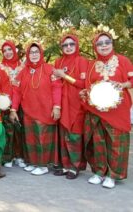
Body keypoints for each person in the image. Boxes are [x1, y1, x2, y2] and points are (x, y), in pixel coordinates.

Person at [81, 28, 132, 188]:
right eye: (99, 43)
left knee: (116, 143)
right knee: (98, 143)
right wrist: (85, 92)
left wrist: (123, 84)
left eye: (107, 42)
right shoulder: (91, 64)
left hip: (118, 111)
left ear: (112, 43)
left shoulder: (123, 60)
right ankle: (99, 172)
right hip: (96, 111)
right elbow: (88, 85)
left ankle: (113, 175)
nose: (104, 45)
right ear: (95, 46)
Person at [10, 42, 62, 176]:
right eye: (31, 52)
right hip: (28, 111)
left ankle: (43, 165)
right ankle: (33, 162)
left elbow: (57, 88)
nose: (34, 55)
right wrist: (14, 109)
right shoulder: (23, 71)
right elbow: (16, 91)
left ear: (41, 53)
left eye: (36, 52)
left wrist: (57, 107)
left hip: (45, 111)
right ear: (27, 55)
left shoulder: (50, 69)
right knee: (30, 138)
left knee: (42, 138)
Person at [52, 32, 89, 179]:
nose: (68, 47)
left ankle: (75, 167)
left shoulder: (82, 61)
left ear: (76, 45)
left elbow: (83, 84)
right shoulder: (58, 62)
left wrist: (64, 76)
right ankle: (64, 165)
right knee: (63, 136)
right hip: (62, 103)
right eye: (65, 45)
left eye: (71, 44)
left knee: (74, 136)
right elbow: (54, 83)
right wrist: (56, 105)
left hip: (77, 104)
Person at [0, 40, 26, 168]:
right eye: (5, 51)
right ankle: (7, 156)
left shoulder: (23, 66)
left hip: (22, 102)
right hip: (6, 103)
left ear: (15, 50)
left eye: (10, 49)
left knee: (20, 130)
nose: (8, 53)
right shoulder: (0, 67)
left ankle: (19, 156)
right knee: (8, 130)